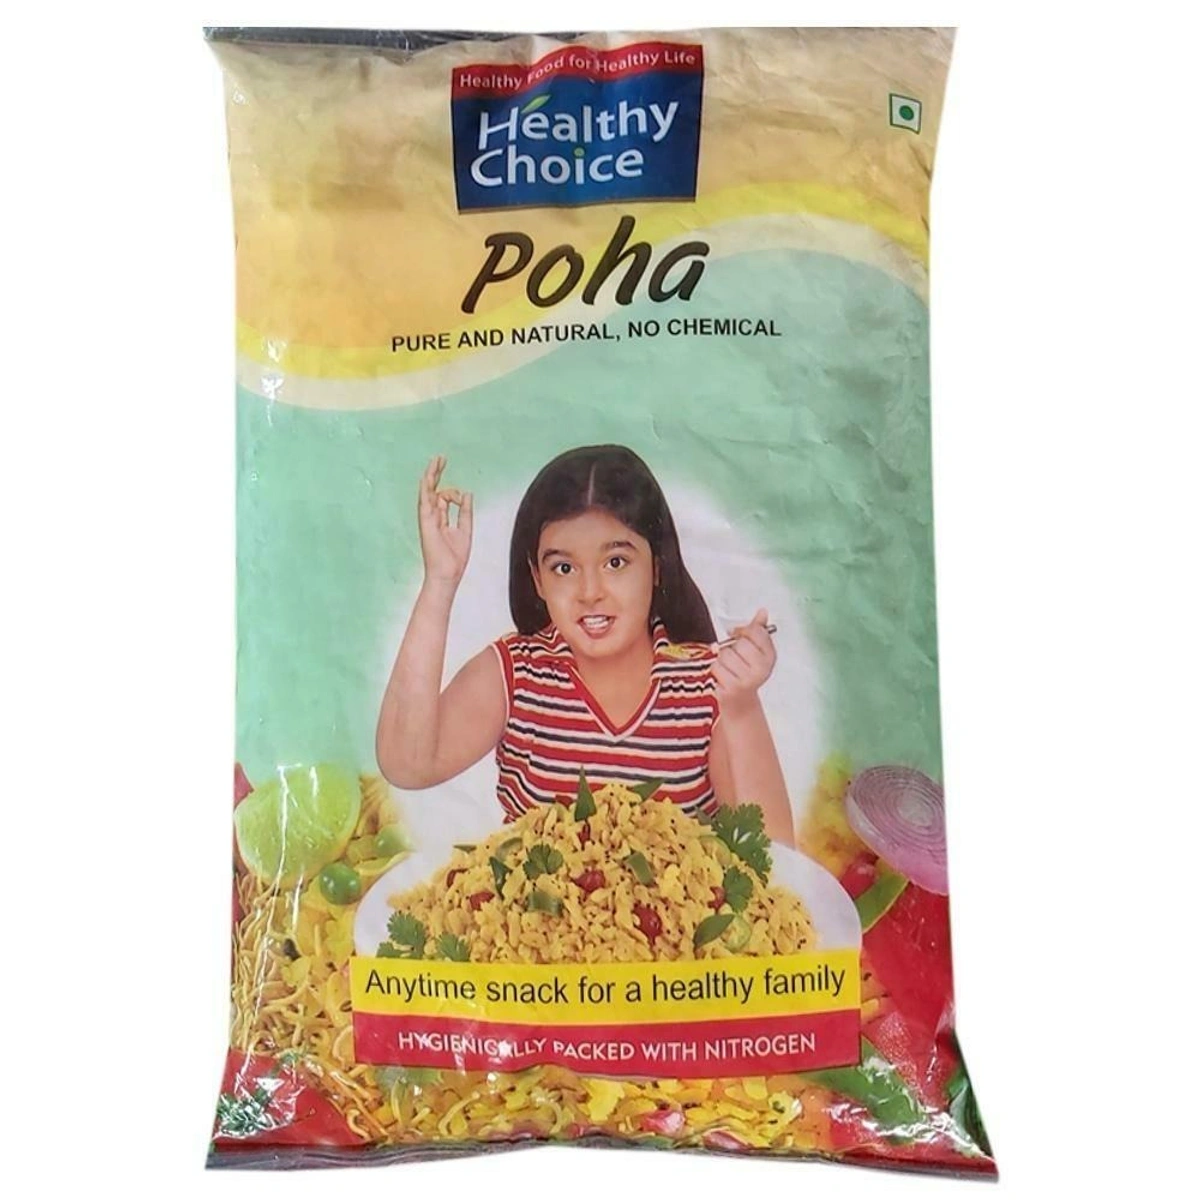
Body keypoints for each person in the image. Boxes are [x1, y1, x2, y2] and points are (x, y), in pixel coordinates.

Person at [376, 446, 794, 843]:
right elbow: (406, 765)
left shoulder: (708, 683)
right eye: (563, 568)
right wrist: (440, 581)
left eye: (616, 562)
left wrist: (742, 708)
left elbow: (772, 856)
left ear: (656, 567)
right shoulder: (516, 674)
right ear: (538, 580)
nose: (590, 592)